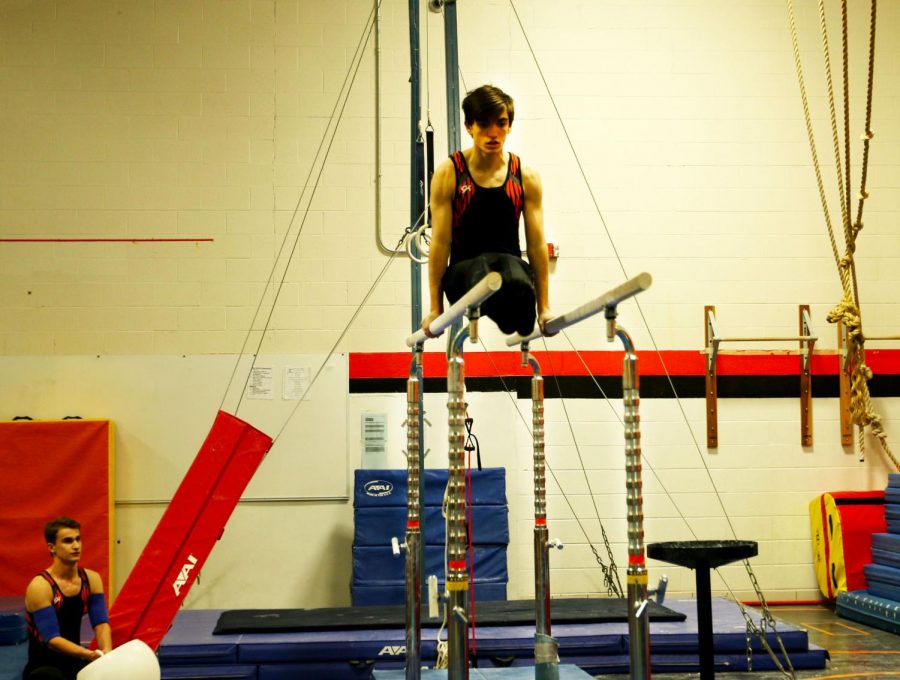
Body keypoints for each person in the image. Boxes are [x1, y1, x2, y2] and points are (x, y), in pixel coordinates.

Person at [423, 84, 553, 338]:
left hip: (510, 267)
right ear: (469, 127)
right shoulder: (450, 173)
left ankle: (514, 314)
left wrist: (544, 308)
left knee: (516, 282)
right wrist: (435, 308)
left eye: (501, 123)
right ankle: (506, 306)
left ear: (510, 126)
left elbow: (536, 245)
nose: (493, 133)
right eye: (484, 124)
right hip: (464, 272)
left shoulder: (525, 176)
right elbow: (439, 244)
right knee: (489, 275)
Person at [23, 517, 112, 680]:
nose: (76, 546)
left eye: (78, 539)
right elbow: (52, 639)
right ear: (52, 548)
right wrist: (89, 654)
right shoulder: (40, 586)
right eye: (68, 541)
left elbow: (101, 624)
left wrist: (106, 653)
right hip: (43, 667)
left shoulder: (91, 579)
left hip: (74, 662)